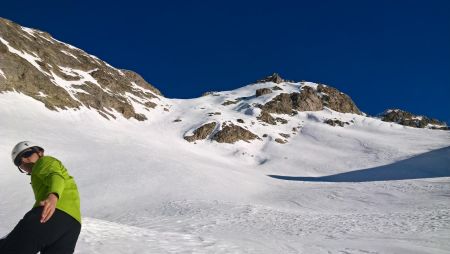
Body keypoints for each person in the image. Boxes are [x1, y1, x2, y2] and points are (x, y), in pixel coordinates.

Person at [0, 141, 81, 254]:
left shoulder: (44, 161)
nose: (23, 160)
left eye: (27, 154)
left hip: (48, 214)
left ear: (40, 152)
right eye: (18, 161)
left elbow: (55, 176)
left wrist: (53, 196)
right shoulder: (44, 173)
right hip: (72, 225)